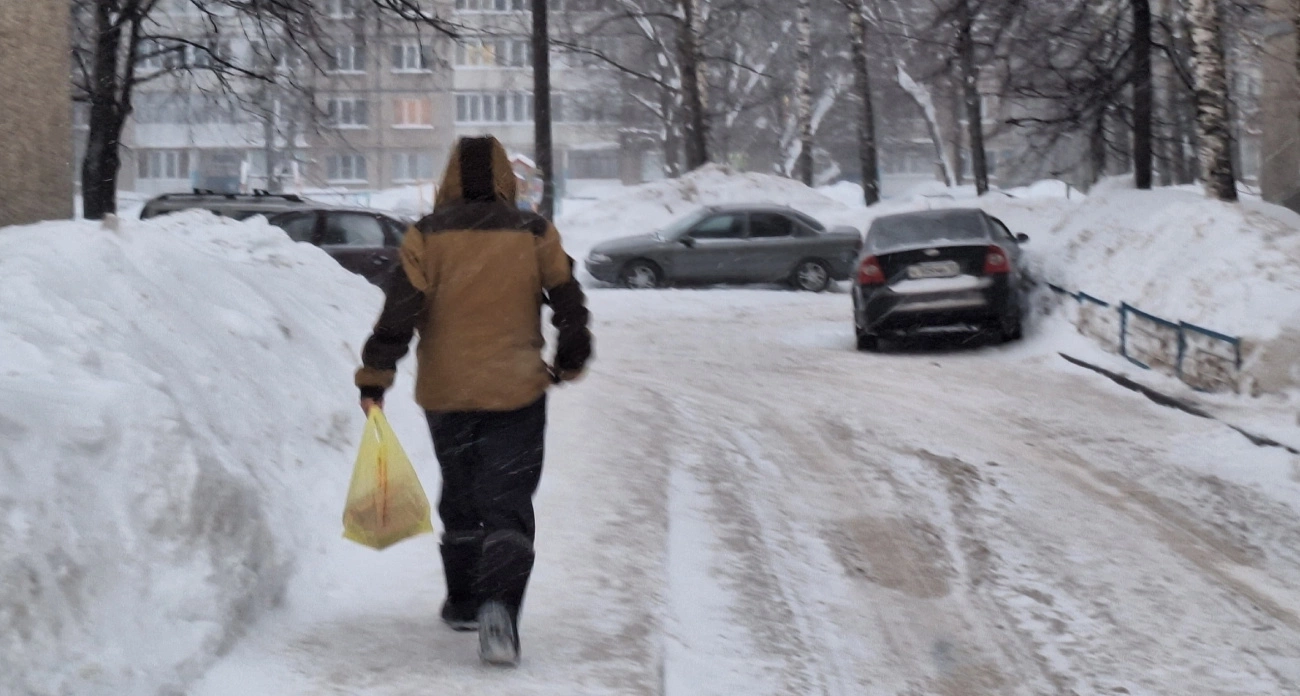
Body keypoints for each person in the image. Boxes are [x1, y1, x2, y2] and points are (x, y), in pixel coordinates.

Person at [354, 135, 592, 666]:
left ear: (450, 178)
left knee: (461, 491)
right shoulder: (534, 231)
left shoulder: (426, 235)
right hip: (517, 389)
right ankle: (500, 612)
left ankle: (463, 601)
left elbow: (399, 312)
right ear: (506, 178)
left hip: (447, 391)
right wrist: (572, 354)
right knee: (507, 500)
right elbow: (568, 299)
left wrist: (375, 376)